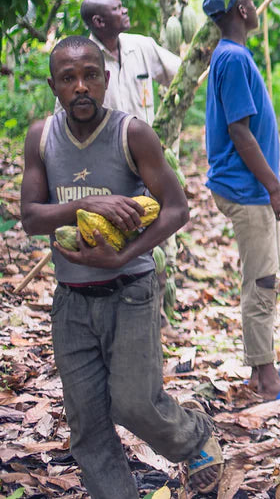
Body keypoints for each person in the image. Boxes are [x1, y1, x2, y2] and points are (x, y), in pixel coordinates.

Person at [20, 36, 222, 496]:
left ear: (106, 80)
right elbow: (31, 216)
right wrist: (87, 203)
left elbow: (176, 208)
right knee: (87, 428)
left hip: (130, 290)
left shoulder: (132, 134)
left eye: (91, 75)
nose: (81, 87)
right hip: (71, 300)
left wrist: (124, 254)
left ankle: (196, 438)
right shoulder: (42, 137)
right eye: (68, 79)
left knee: (134, 404)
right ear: (55, 86)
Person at [201, 0, 280, 404]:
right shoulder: (231, 58)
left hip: (248, 187)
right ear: (242, 9)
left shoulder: (233, 56)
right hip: (244, 189)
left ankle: (264, 365)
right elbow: (239, 132)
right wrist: (275, 188)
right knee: (262, 280)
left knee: (262, 275)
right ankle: (264, 378)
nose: (253, 1)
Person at [81, 0, 181, 125]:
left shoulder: (142, 46)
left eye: (122, 6)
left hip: (144, 144)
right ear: (99, 21)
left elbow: (182, 74)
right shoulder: (80, 61)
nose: (125, 11)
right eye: (117, 9)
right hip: (105, 146)